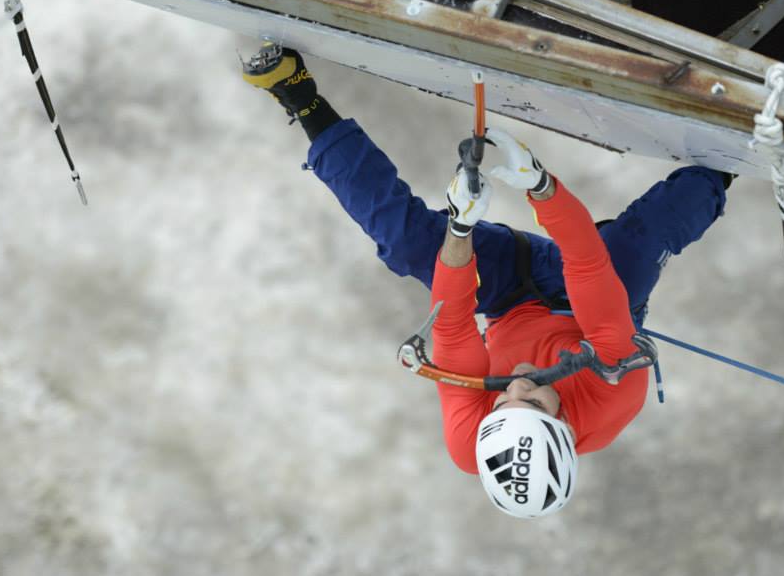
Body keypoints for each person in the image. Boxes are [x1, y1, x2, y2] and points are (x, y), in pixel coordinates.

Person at [242, 46, 730, 518]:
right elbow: (585, 264)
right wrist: (542, 187)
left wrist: (459, 227)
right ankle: (728, 157)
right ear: (563, 422)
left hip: (510, 295)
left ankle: (298, 94)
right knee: (645, 241)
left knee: (408, 246)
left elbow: (453, 323)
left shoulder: (468, 437)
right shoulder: (615, 391)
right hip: (596, 308)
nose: (518, 384)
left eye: (506, 402)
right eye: (536, 400)